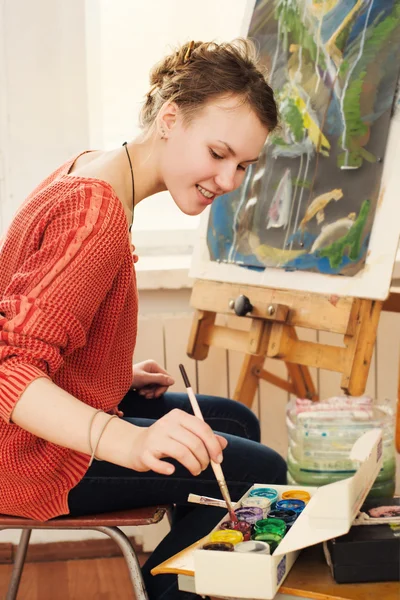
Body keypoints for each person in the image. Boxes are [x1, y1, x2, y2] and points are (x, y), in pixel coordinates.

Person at [0, 38, 286, 599]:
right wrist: (125, 442)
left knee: (232, 424)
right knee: (262, 474)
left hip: (34, 423)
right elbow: (9, 369)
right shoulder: (97, 215)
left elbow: (34, 315)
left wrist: (111, 374)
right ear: (169, 118)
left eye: (243, 166)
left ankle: (189, 585)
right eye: (218, 153)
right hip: (24, 455)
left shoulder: (91, 171)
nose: (228, 181)